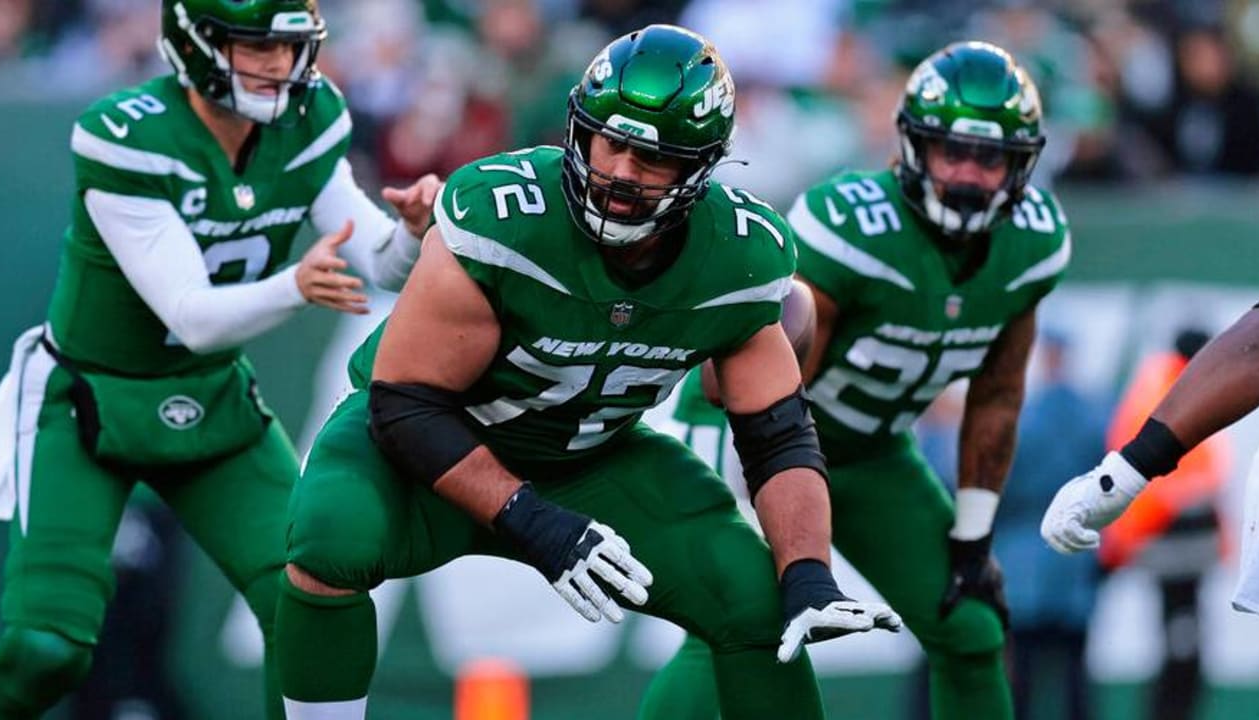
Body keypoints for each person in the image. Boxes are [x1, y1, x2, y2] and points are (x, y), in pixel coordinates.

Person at [272, 24, 901, 720]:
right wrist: (533, 522)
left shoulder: (741, 260)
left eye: (654, 157)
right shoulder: (502, 217)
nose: (623, 172)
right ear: (581, 130)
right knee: (331, 534)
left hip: (590, 457)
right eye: (613, 143)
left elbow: (778, 434)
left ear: (701, 166)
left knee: (754, 597)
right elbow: (406, 406)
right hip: (424, 449)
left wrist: (809, 571)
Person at [0, 1, 440, 718]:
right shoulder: (127, 133)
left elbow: (378, 259)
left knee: (306, 604)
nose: (276, 65)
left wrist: (414, 234)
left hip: (211, 396)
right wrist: (296, 286)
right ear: (194, 42)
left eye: (289, 48)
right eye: (252, 45)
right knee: (48, 650)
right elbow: (191, 316)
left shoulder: (308, 118)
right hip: (86, 404)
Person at [642, 41, 1071, 720]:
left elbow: (997, 394)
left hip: (869, 449)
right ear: (910, 148)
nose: (965, 174)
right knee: (740, 624)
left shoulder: (1033, 244)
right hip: (757, 432)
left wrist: (973, 534)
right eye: (950, 150)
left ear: (1020, 166)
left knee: (970, 627)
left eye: (988, 158)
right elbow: (758, 381)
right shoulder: (852, 228)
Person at [1055, 328, 1229, 720]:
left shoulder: (1163, 385)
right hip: (1173, 549)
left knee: (1179, 641)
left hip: (1172, 548)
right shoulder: (1176, 391)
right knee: (1180, 644)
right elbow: (1178, 483)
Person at [995, 332, 1107, 720]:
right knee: (1074, 674)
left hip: (1023, 561)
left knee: (1021, 672)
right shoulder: (1094, 416)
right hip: (1074, 558)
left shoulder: (1024, 417)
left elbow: (1001, 487)